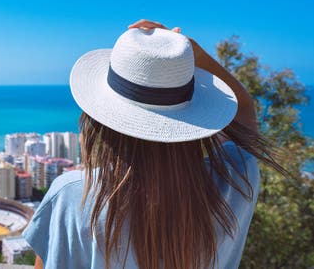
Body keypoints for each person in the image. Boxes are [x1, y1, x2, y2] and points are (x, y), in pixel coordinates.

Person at [21, 20, 285, 269]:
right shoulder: (235, 180)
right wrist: (195, 56)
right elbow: (244, 113)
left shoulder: (73, 196)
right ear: (191, 116)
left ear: (99, 120)